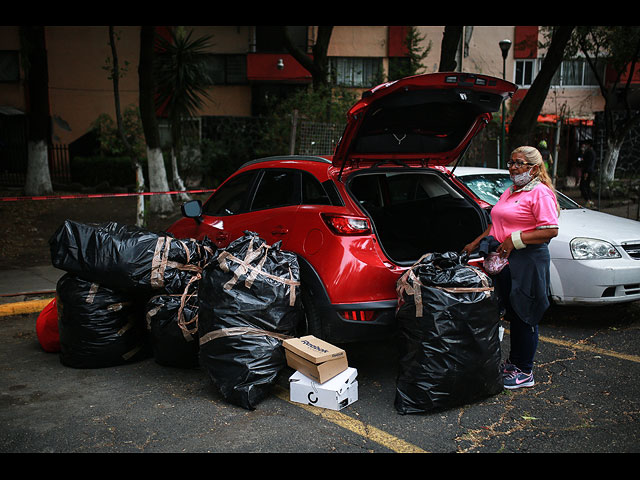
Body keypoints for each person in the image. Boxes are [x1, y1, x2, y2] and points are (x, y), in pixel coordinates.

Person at [462, 146, 559, 390]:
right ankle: (513, 363)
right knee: (512, 313)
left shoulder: (540, 193)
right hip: (506, 263)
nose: (513, 168)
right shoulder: (511, 191)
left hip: (528, 262)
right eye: (511, 162)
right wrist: (474, 243)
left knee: (525, 314)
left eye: (520, 163)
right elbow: (496, 222)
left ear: (534, 168)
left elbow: (550, 230)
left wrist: (514, 241)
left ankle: (524, 371)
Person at [578, 140, 596, 207]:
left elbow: (588, 163)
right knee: (586, 185)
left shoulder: (589, 152)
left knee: (584, 185)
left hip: (587, 171)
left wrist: (586, 172)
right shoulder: (590, 152)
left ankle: (588, 199)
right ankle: (589, 199)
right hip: (588, 170)